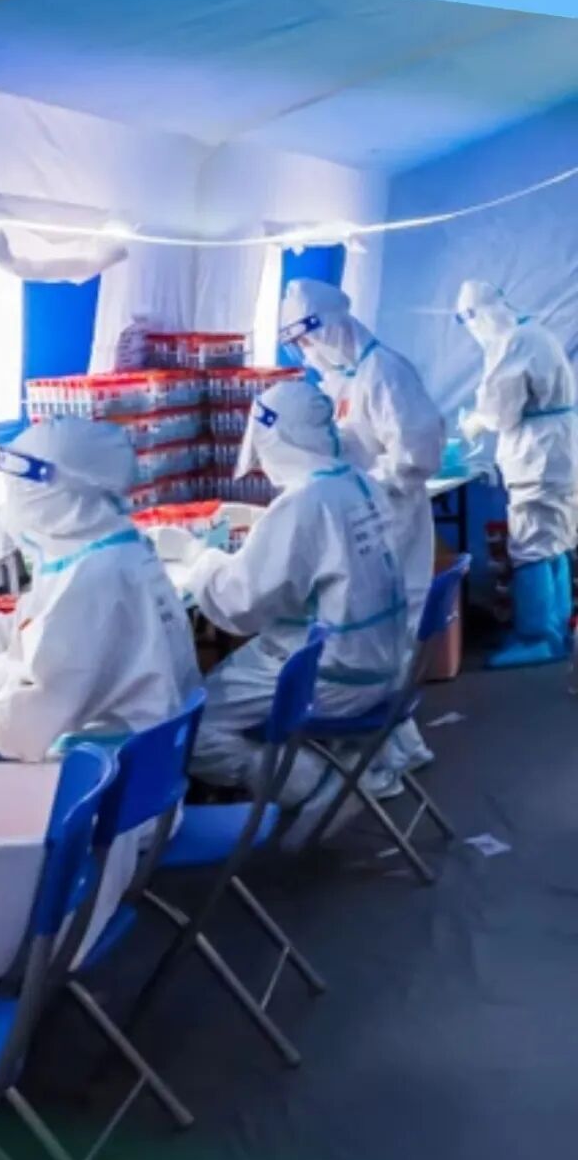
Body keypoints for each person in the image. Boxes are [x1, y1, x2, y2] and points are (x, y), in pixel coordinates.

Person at [154, 377, 407, 848]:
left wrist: (197, 558)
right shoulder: (359, 483)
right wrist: (261, 534)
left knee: (189, 727)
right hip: (384, 665)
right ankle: (345, 768)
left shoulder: (304, 503)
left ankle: (313, 784)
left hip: (333, 677)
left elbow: (239, 605)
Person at [0, 415, 201, 762]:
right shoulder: (105, 551)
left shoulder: (94, 579)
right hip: (134, 764)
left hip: (99, 778)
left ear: (57, 494)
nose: (10, 507)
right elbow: (35, 626)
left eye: (19, 492)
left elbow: (24, 718)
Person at [278, 277, 444, 778]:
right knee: (383, 632)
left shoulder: (384, 372)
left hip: (394, 514)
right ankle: (400, 748)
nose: (307, 351)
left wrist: (368, 488)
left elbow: (417, 454)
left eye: (308, 338)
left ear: (331, 326)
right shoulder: (345, 377)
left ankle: (380, 761)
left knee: (392, 626)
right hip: (370, 516)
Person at [457, 280, 578, 666]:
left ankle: (536, 638)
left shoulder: (513, 342)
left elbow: (499, 413)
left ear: (477, 314)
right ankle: (556, 630)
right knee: (554, 541)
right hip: (557, 453)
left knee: (531, 543)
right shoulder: (536, 333)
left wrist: (476, 421)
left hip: (538, 457)